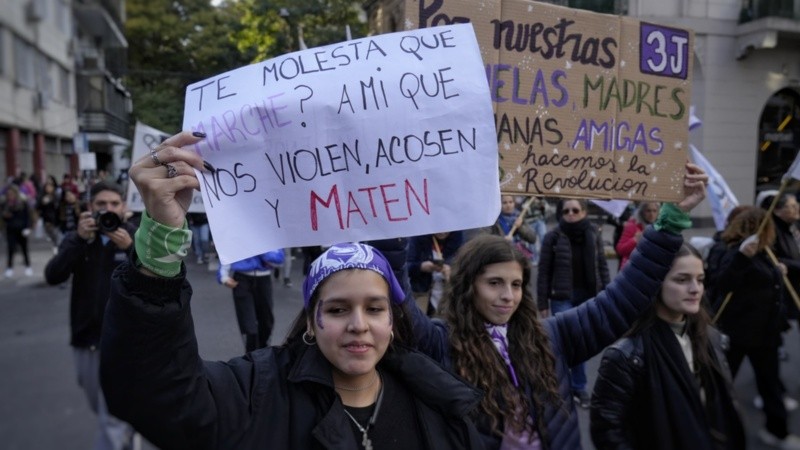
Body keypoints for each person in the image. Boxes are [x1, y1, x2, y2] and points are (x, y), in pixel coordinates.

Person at [99, 131, 485, 449]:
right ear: (311, 322)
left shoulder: (439, 403)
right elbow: (157, 394)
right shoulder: (257, 394)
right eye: (336, 310)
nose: (358, 325)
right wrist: (159, 248)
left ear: (393, 320)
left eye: (374, 309)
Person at [409, 162, 707, 449]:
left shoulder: (550, 337)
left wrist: (670, 222)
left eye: (516, 285)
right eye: (494, 283)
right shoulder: (441, 343)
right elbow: (398, 310)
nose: (508, 296)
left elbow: (620, 300)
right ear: (468, 286)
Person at [590, 244, 746, 450]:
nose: (695, 289)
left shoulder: (710, 337)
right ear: (655, 283)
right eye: (682, 280)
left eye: (700, 280)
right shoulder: (626, 356)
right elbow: (607, 431)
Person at [44, 181, 138, 450]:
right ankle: (126, 433)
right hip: (86, 339)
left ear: (124, 207)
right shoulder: (81, 238)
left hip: (123, 343)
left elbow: (159, 281)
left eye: (113, 204)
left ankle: (119, 435)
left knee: (112, 418)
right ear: (89, 208)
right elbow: (53, 276)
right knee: (100, 407)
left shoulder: (136, 235)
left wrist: (132, 249)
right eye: (101, 204)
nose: (108, 209)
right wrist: (77, 239)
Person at [712, 206, 800, 448]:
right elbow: (721, 282)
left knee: (770, 385)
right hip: (738, 333)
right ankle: (709, 429)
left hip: (765, 335)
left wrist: (778, 271)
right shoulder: (734, 251)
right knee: (720, 386)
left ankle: (777, 432)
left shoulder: (764, 253)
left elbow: (769, 289)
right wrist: (741, 257)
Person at [536, 198, 610, 408]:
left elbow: (602, 265)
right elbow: (543, 272)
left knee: (579, 342)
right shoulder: (553, 236)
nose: (570, 213)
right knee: (561, 342)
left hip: (588, 295)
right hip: (562, 297)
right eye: (566, 210)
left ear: (584, 212)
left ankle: (579, 387)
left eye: (575, 210)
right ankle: (559, 387)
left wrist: (607, 294)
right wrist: (542, 302)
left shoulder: (593, 234)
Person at [218, 250, 284, 352]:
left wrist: (260, 250)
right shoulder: (238, 234)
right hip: (242, 279)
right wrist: (223, 277)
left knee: (266, 322)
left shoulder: (269, 235)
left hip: (264, 279)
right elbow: (227, 248)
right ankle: (250, 356)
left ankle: (262, 351)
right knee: (248, 324)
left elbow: (279, 259)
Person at [407, 230, 464, 315]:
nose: (442, 232)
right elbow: (405, 266)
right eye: (439, 228)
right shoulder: (418, 238)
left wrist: (451, 273)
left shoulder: (459, 242)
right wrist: (421, 267)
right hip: (421, 293)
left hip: (447, 297)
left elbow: (464, 273)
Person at [491, 195, 538, 260]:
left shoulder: (519, 217)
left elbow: (532, 239)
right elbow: (488, 240)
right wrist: (502, 241)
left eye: (511, 202)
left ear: (514, 203)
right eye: (504, 203)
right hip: (502, 257)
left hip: (518, 256)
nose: (508, 205)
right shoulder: (494, 220)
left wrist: (520, 227)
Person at [615, 201, 660, 268]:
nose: (651, 214)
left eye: (654, 211)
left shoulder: (659, 228)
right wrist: (635, 240)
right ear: (642, 212)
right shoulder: (632, 226)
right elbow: (620, 250)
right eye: (648, 211)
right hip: (632, 269)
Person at [1, 184, 33, 277]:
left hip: (22, 229)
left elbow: (27, 216)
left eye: (11, 193)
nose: (10, 196)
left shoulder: (22, 203)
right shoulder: (5, 204)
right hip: (10, 229)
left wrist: (27, 227)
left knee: (24, 249)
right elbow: (2, 217)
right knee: (10, 249)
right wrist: (5, 216)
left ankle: (28, 266)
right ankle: (9, 268)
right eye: (8, 194)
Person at [37, 175, 62, 254]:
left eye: (51, 185)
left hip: (56, 219)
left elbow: (59, 207)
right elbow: (38, 207)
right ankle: (56, 245)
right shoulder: (43, 196)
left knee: (56, 234)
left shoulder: (57, 195)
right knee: (50, 233)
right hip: (46, 219)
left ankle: (57, 246)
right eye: (47, 185)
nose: (49, 187)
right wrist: (42, 202)